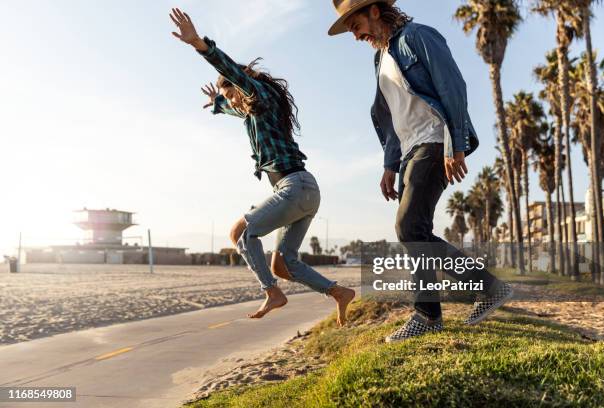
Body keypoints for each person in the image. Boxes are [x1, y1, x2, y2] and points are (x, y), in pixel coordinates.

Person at [327, 0, 514, 341]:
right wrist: (389, 165)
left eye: (354, 26)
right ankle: (483, 290)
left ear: (373, 11)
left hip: (434, 140)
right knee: (416, 230)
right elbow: (393, 117)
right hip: (411, 149)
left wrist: (454, 143)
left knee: (409, 226)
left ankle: (431, 313)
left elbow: (452, 86)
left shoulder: (418, 36)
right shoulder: (379, 59)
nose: (354, 36)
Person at [170, 8, 355, 326]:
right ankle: (338, 292)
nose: (232, 101)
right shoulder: (256, 108)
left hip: (294, 187)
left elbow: (231, 73)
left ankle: (271, 292)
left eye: (231, 94)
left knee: (240, 232)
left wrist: (199, 44)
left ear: (239, 85)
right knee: (284, 265)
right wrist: (219, 104)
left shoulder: (258, 92)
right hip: (306, 191)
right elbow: (237, 109)